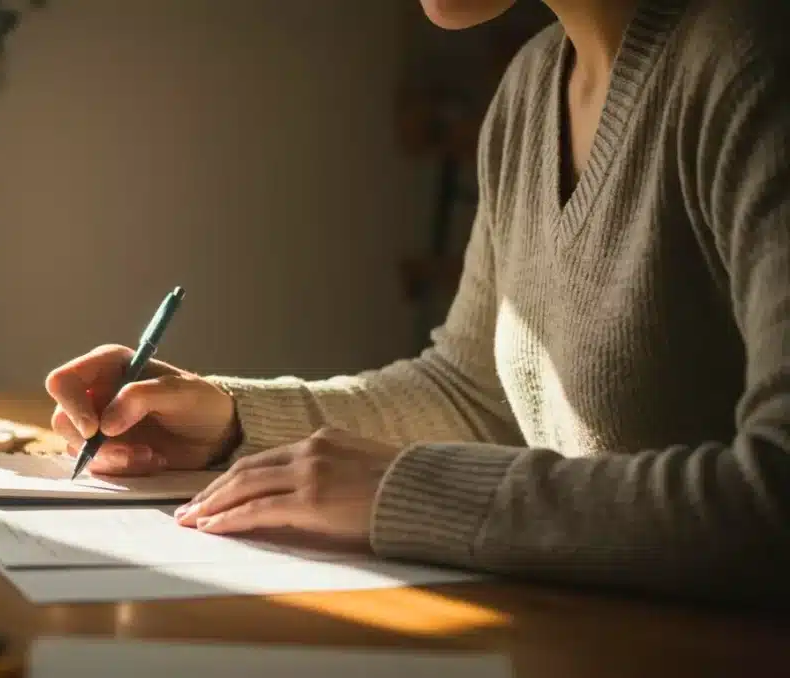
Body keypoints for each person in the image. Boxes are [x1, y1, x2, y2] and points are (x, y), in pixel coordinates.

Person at [45, 0, 790, 608]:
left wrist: (411, 494)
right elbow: (476, 395)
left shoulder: (751, 62)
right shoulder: (532, 89)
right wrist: (232, 424)